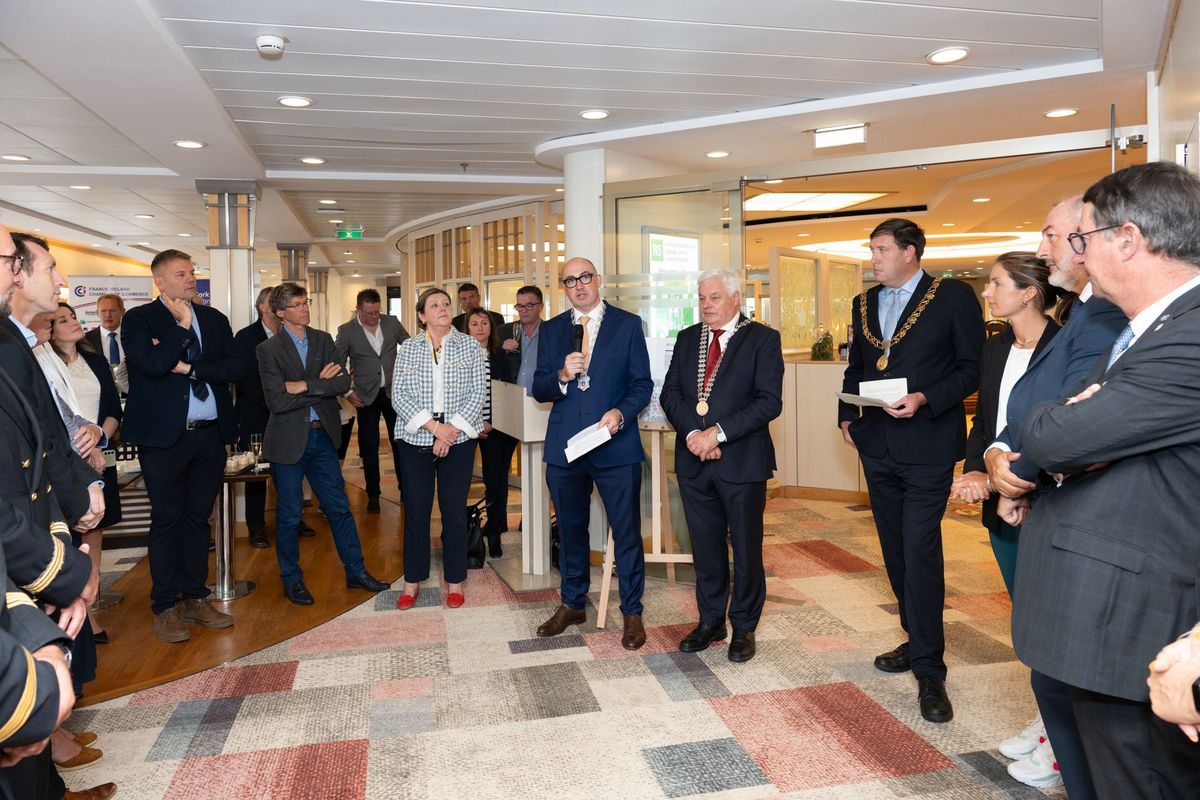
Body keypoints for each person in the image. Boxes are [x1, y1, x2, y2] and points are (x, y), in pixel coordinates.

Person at [1010, 161, 1200, 798]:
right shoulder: (1151, 327)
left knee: (1137, 778)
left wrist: (1063, 423)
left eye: (1081, 238)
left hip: (1139, 623)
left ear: (1127, 240)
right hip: (1110, 617)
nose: (1076, 255)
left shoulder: (1189, 334)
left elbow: (1051, 435)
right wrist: (1075, 422)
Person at [978, 197, 1124, 799]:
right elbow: (1026, 406)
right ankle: (1054, 743)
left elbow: (1069, 414)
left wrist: (1018, 470)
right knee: (1048, 659)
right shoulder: (1084, 312)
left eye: (1052, 236)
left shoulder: (1104, 317)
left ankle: (1059, 753)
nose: (1044, 250)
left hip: (1071, 505)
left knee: (1072, 670)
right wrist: (995, 455)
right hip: (1030, 486)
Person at [838, 218, 984, 723]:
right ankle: (916, 636)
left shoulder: (953, 297)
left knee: (920, 549)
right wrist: (847, 416)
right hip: (877, 444)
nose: (873, 259)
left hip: (928, 444)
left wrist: (925, 397)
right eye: (872, 250)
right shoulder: (862, 303)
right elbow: (858, 367)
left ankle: (929, 668)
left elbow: (972, 368)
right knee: (895, 549)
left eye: (881, 250)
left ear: (910, 252)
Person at [948, 254, 1064, 789]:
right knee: (1027, 617)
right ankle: (1048, 718)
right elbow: (986, 422)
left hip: (1047, 498)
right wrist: (976, 469)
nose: (987, 293)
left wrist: (1019, 481)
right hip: (1001, 498)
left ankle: (1061, 740)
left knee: (1053, 621)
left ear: (1029, 292)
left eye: (996, 284)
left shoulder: (1063, 345)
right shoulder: (994, 346)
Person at [121, 249, 247, 643]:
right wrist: (181, 327)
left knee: (198, 520)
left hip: (209, 435)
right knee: (166, 519)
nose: (191, 279)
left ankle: (195, 597)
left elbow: (236, 368)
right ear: (159, 282)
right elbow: (153, 364)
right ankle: (165, 606)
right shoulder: (138, 320)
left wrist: (192, 368)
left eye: (192, 272)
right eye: (181, 274)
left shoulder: (215, 319)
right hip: (163, 439)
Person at [659, 269, 783, 663]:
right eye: (701, 298)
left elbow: (769, 401)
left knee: (745, 548)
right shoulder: (687, 338)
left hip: (742, 462)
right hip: (694, 459)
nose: (706, 305)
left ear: (734, 298)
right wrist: (696, 435)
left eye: (714, 297)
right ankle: (711, 620)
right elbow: (670, 394)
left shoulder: (762, 339)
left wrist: (718, 434)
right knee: (705, 545)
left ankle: (744, 626)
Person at [532, 257, 653, 650]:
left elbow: (642, 384)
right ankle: (572, 603)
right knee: (570, 530)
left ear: (598, 280)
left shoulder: (627, 324)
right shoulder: (552, 329)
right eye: (570, 281)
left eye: (585, 277)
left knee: (626, 531)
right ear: (564, 288)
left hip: (615, 443)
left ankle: (632, 611)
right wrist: (561, 375)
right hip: (566, 446)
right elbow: (539, 387)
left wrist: (621, 413)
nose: (579, 285)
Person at [256, 283, 389, 605]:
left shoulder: (323, 339)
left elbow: (341, 383)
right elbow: (276, 401)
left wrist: (301, 385)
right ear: (280, 312)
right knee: (289, 515)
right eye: (298, 304)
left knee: (339, 509)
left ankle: (356, 571)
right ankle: (292, 580)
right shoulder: (268, 350)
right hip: (288, 441)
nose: (305, 308)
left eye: (307, 302)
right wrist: (319, 385)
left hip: (323, 437)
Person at [392, 288, 484, 610]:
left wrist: (448, 433)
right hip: (417, 436)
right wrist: (434, 428)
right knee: (416, 510)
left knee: (454, 511)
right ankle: (412, 581)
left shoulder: (470, 345)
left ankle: (455, 580)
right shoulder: (408, 348)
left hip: (458, 436)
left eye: (446, 303)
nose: (443, 308)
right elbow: (399, 395)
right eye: (434, 305)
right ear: (422, 316)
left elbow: (478, 394)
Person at [44, 302, 124, 646]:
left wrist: (100, 437)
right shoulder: (44, 363)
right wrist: (85, 447)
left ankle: (92, 601)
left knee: (97, 529)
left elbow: (113, 408)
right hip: (67, 458)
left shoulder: (95, 359)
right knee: (72, 532)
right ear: (50, 330)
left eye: (73, 316)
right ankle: (79, 612)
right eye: (62, 320)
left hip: (101, 453)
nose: (73, 322)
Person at [334, 288, 410, 514]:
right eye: (369, 313)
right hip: (365, 396)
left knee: (400, 442)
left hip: (394, 393)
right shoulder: (347, 331)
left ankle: (406, 490)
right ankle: (373, 493)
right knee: (369, 446)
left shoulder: (392, 322)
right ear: (358, 309)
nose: (374, 317)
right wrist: (347, 392)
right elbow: (337, 365)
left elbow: (411, 347)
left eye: (377, 311)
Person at [466, 307, 518, 558]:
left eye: (484, 323)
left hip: (494, 428)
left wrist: (491, 422)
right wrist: (473, 424)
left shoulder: (499, 355)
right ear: (467, 328)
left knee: (494, 481)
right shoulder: (460, 355)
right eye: (474, 323)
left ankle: (494, 532)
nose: (480, 328)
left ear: (491, 327)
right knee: (459, 482)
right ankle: (463, 532)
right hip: (465, 428)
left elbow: (505, 391)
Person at [501, 285, 544, 394]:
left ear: (541, 307)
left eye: (529, 305)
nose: (523, 310)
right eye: (519, 306)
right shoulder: (503, 331)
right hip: (511, 398)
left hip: (541, 399)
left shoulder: (550, 332)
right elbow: (491, 366)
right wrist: (501, 351)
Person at [83, 293, 128, 394]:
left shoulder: (134, 337)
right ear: (97, 313)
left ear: (122, 312)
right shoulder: (85, 340)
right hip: (99, 394)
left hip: (131, 394)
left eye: (113, 310)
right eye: (103, 311)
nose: (108, 315)